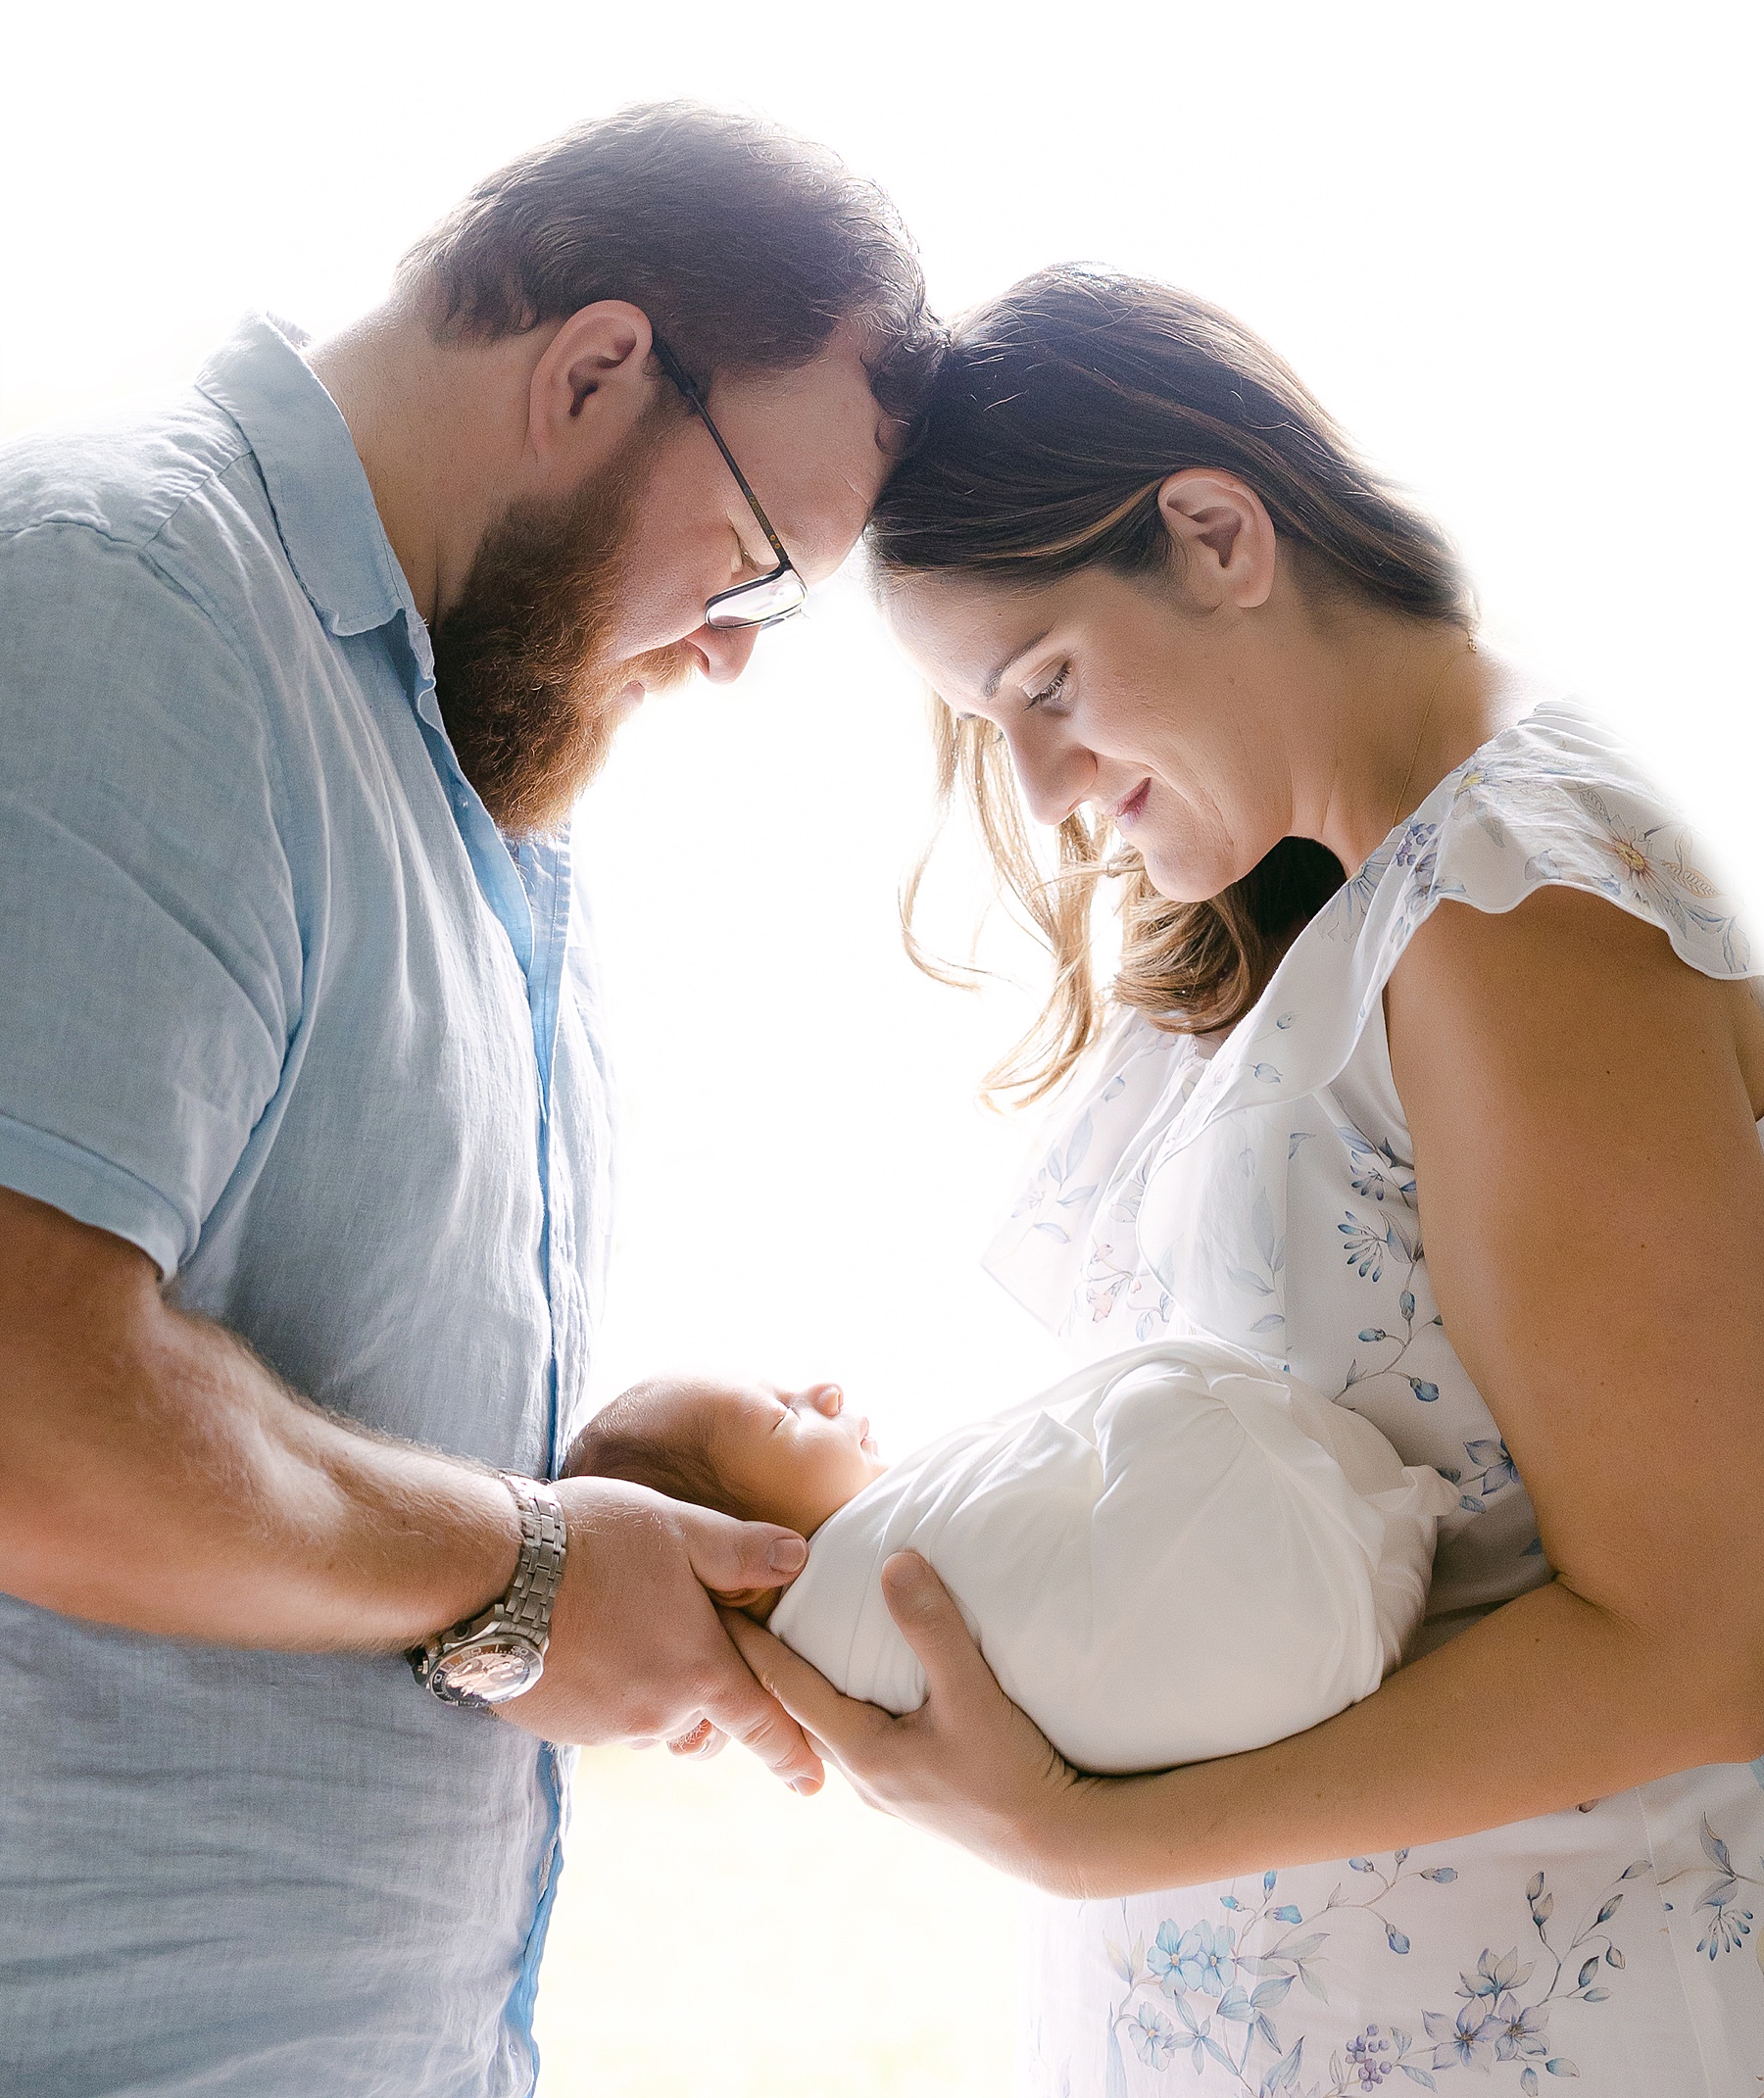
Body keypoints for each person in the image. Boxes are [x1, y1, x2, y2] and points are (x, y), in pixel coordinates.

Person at [728, 268, 1764, 2094]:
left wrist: (1078, 1838)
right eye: (993, 725)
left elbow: (1706, 1636)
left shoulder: (1513, 904)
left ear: (1215, 536)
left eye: (1045, 685)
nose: (1041, 785)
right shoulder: (1341, 919)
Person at [0, 102, 939, 2098]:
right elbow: (23, 1408)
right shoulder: (124, 611)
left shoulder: (468, 788)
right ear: (596, 371)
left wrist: (607, 1476)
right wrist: (523, 1569)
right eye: (759, 573)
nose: (733, 657)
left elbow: (291, 1412)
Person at [570, 1350, 1452, 1775]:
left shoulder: (851, 1692)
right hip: (1312, 1591)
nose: (825, 1391)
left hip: (1336, 1656)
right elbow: (1041, 1470)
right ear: (743, 1567)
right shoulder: (865, 1591)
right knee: (1153, 1399)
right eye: (781, 1418)